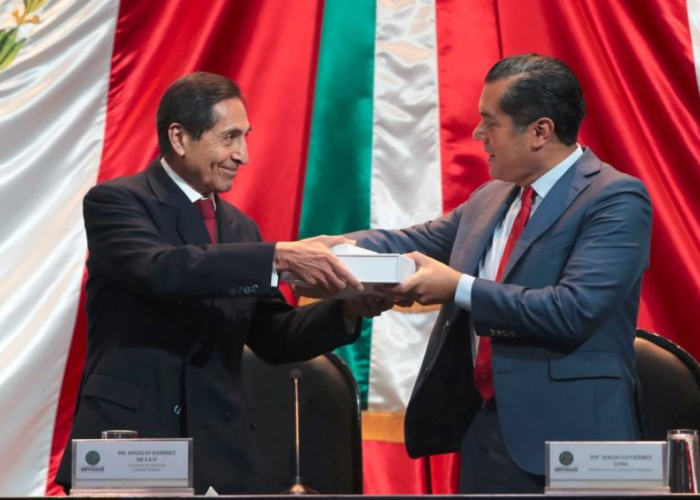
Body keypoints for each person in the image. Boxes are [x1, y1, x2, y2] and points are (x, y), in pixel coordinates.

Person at [56, 72, 391, 494]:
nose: (243, 155)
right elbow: (160, 269)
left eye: (245, 137)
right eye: (229, 137)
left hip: (219, 452)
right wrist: (278, 256)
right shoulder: (117, 201)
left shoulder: (240, 229)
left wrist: (345, 310)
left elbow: (274, 336)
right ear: (179, 137)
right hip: (131, 444)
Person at [344, 54, 652, 493]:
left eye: (490, 121)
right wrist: (321, 251)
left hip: (580, 440)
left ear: (540, 131)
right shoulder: (493, 196)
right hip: (487, 432)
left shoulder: (615, 197)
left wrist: (459, 287)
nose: (477, 134)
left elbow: (574, 309)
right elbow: (408, 241)